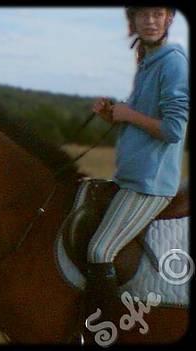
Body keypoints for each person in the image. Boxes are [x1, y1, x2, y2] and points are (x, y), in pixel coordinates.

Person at [83, 6, 189, 334]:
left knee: (99, 250)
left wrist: (128, 115)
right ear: (133, 21)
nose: (151, 20)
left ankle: (109, 332)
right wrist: (115, 115)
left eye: (158, 13)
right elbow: (144, 121)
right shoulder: (147, 59)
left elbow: (174, 129)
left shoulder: (172, 61)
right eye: (143, 14)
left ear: (169, 18)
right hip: (132, 175)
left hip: (152, 182)